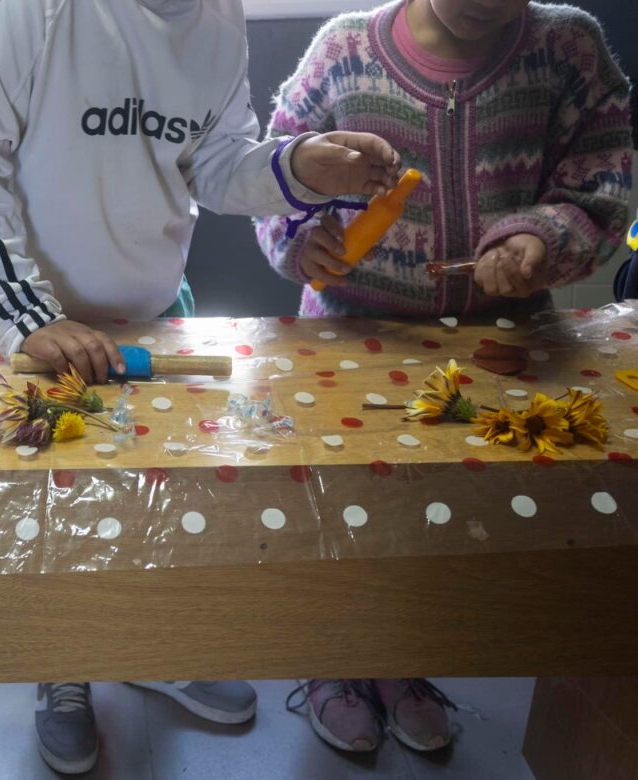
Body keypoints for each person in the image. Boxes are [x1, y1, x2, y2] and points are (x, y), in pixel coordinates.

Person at [0, 0, 402, 772]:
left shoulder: (220, 14)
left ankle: (148, 647)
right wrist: (22, 313)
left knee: (149, 512)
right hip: (30, 327)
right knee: (51, 524)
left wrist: (293, 166)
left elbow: (214, 164)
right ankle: (64, 668)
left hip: (151, 317)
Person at [257, 0, 632, 754]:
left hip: (503, 344)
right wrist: (300, 242)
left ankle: (405, 661)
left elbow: (604, 183)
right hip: (350, 342)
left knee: (442, 521)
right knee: (344, 513)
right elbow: (273, 178)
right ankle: (334, 665)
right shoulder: (342, 53)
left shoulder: (570, 49)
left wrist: (541, 236)